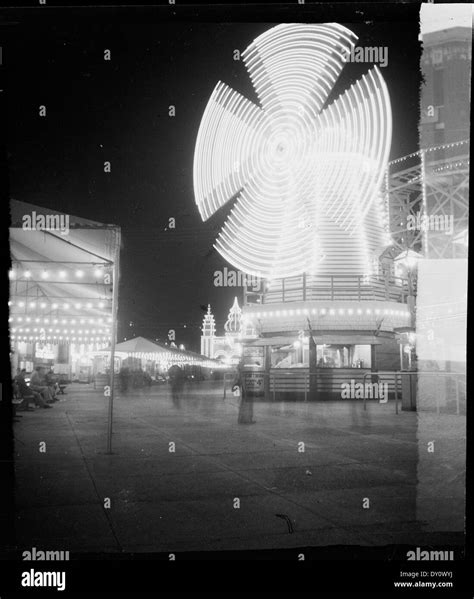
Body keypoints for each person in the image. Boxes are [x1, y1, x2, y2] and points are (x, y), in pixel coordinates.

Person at [233, 360, 255, 424]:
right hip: (245, 392)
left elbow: (237, 383)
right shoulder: (242, 374)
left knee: (244, 406)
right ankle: (247, 420)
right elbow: (243, 384)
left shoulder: (240, 373)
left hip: (244, 392)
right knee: (247, 406)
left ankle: (243, 419)